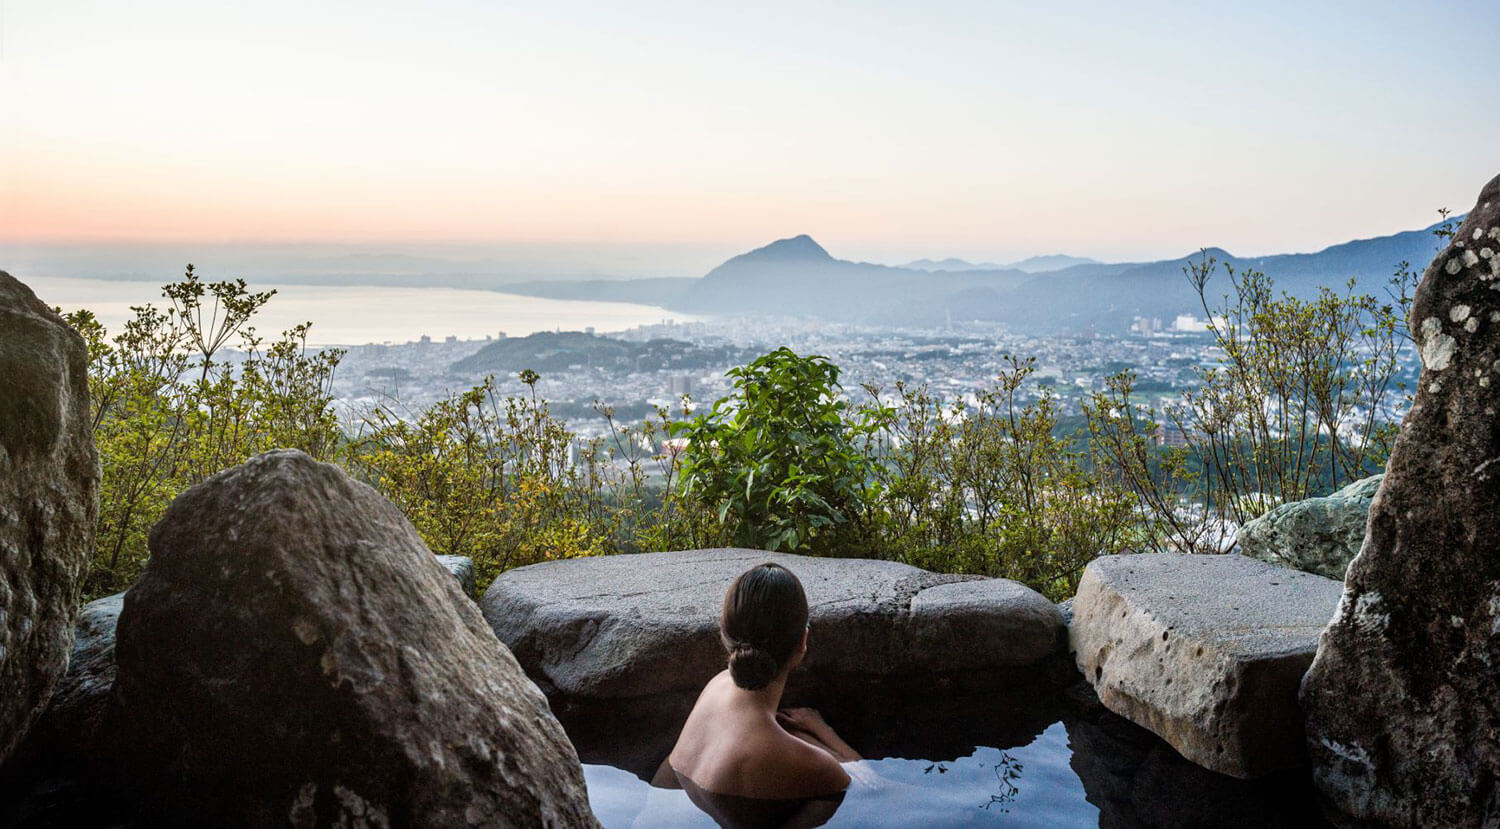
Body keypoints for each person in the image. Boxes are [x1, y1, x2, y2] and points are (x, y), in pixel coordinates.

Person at [653, 562, 861, 828]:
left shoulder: (715, 686)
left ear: (724, 632)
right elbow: (868, 784)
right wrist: (823, 730)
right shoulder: (817, 768)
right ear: (802, 642)